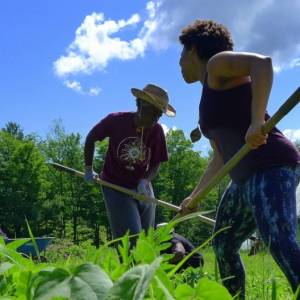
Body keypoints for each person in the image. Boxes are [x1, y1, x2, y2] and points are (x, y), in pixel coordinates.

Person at [178, 19, 300, 299]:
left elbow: (262, 64)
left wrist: (257, 121)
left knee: (278, 241)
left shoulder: (216, 65)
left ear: (194, 50)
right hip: (243, 177)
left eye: (181, 55)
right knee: (223, 243)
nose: (180, 63)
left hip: (272, 164)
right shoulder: (206, 99)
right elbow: (220, 157)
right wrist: (194, 197)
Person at [84, 84, 176, 243]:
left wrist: (145, 180)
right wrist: (88, 168)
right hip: (115, 186)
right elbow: (91, 138)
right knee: (131, 238)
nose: (156, 120)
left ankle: (147, 269)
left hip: (142, 187)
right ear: (141, 105)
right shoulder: (116, 121)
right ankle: (130, 268)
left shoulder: (156, 131)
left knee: (147, 238)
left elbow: (156, 164)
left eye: (159, 115)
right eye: (153, 113)